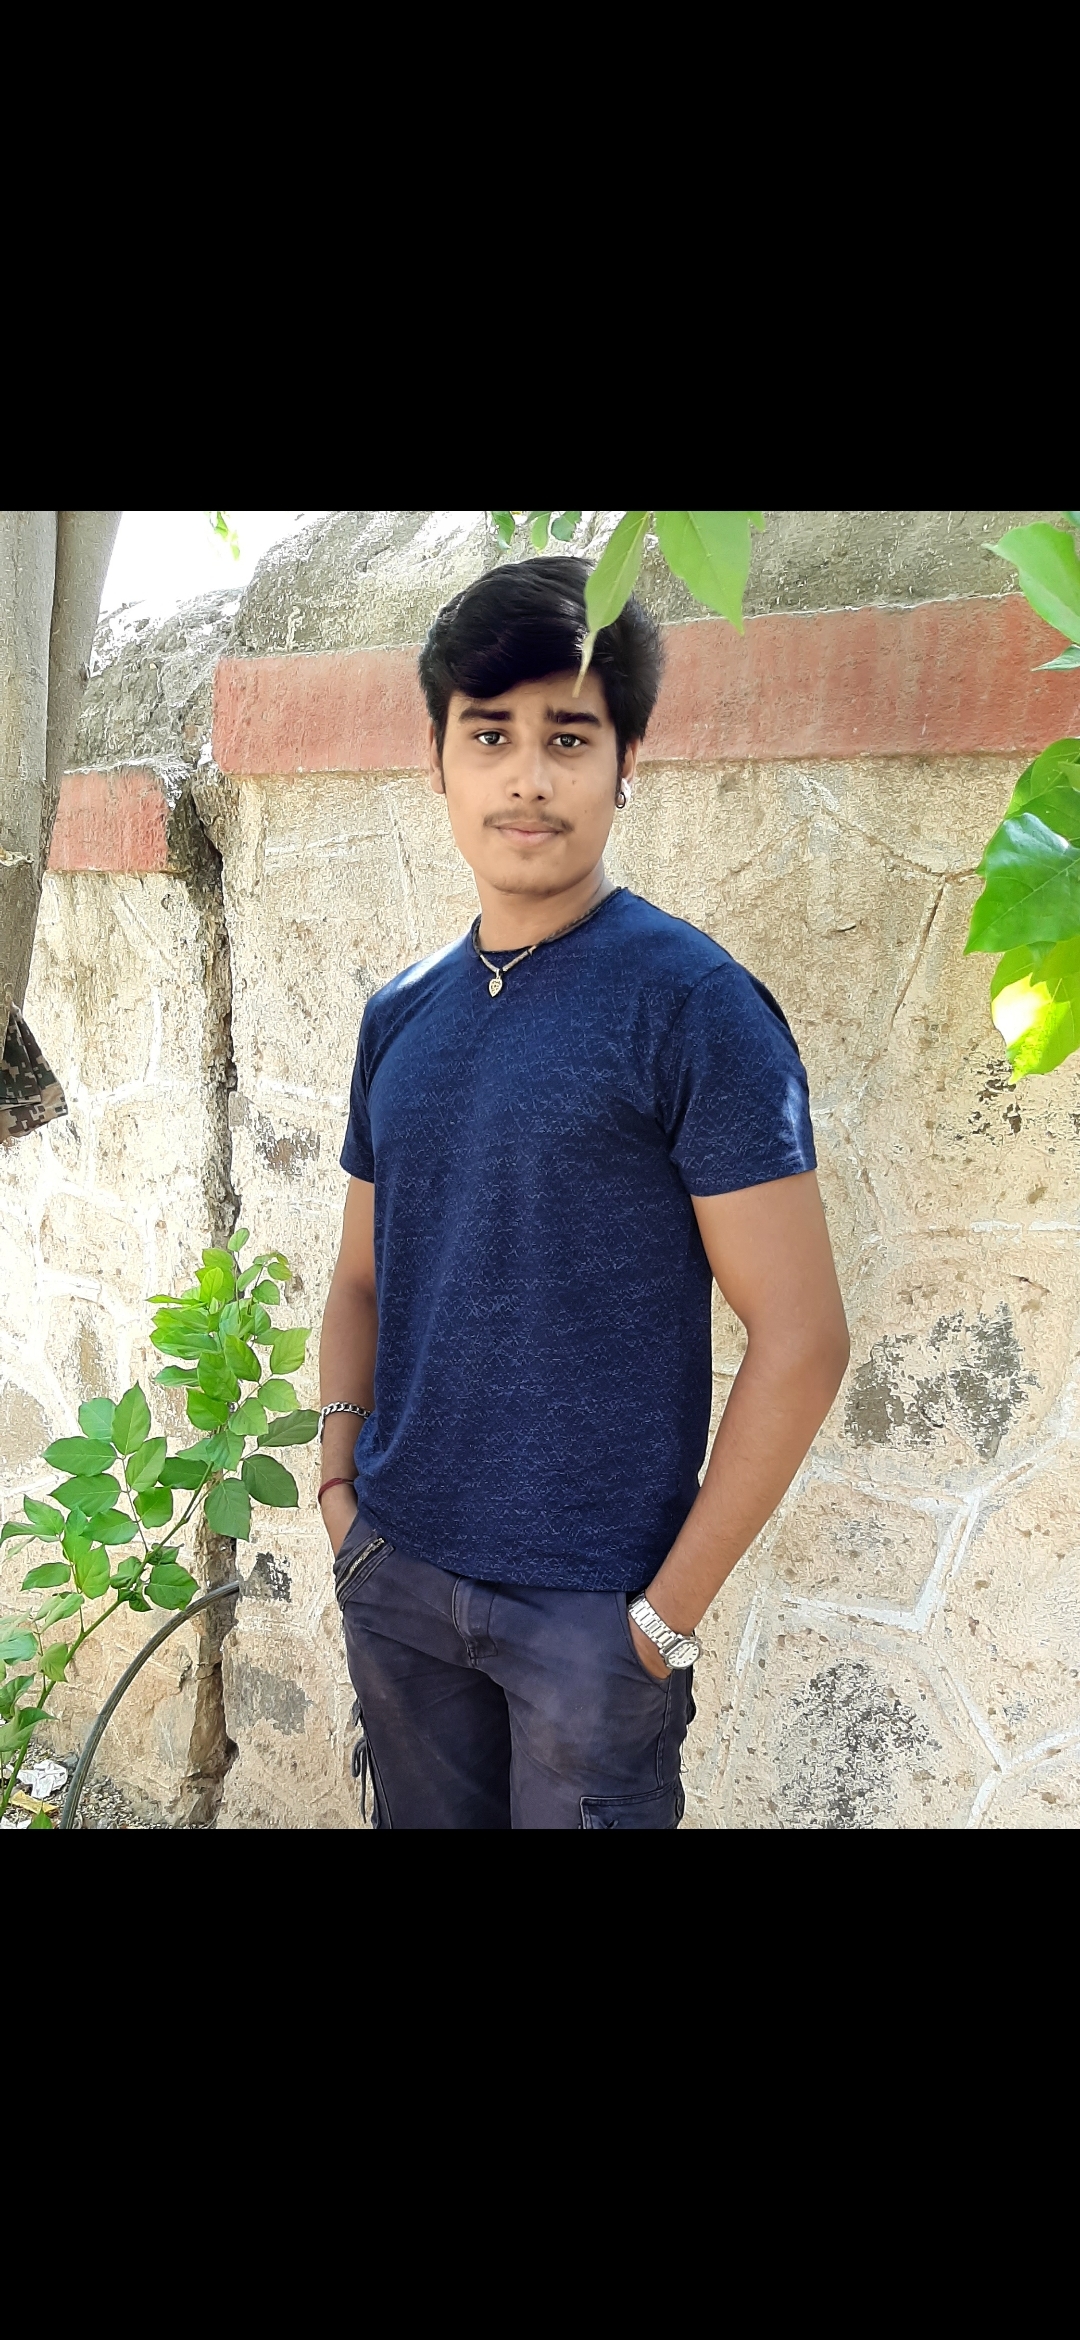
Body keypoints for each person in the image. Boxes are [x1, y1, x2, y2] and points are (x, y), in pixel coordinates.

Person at [318, 556, 849, 1829]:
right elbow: (361, 1278)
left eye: (568, 737)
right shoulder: (401, 1014)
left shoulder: (694, 1006)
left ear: (625, 764)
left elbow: (802, 1337)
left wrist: (661, 1619)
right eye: (488, 735)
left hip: (590, 1618)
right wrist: (340, 1494)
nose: (527, 776)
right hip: (400, 1574)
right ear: (438, 762)